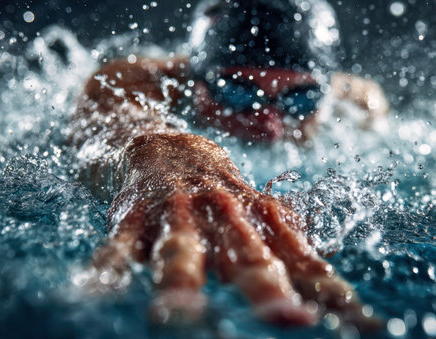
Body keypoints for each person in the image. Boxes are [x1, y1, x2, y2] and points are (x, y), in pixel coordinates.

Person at [69, 0, 387, 329]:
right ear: (196, 79)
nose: (270, 126)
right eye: (237, 92)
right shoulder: (130, 81)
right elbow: (111, 131)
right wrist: (168, 157)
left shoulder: (361, 104)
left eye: (300, 98)